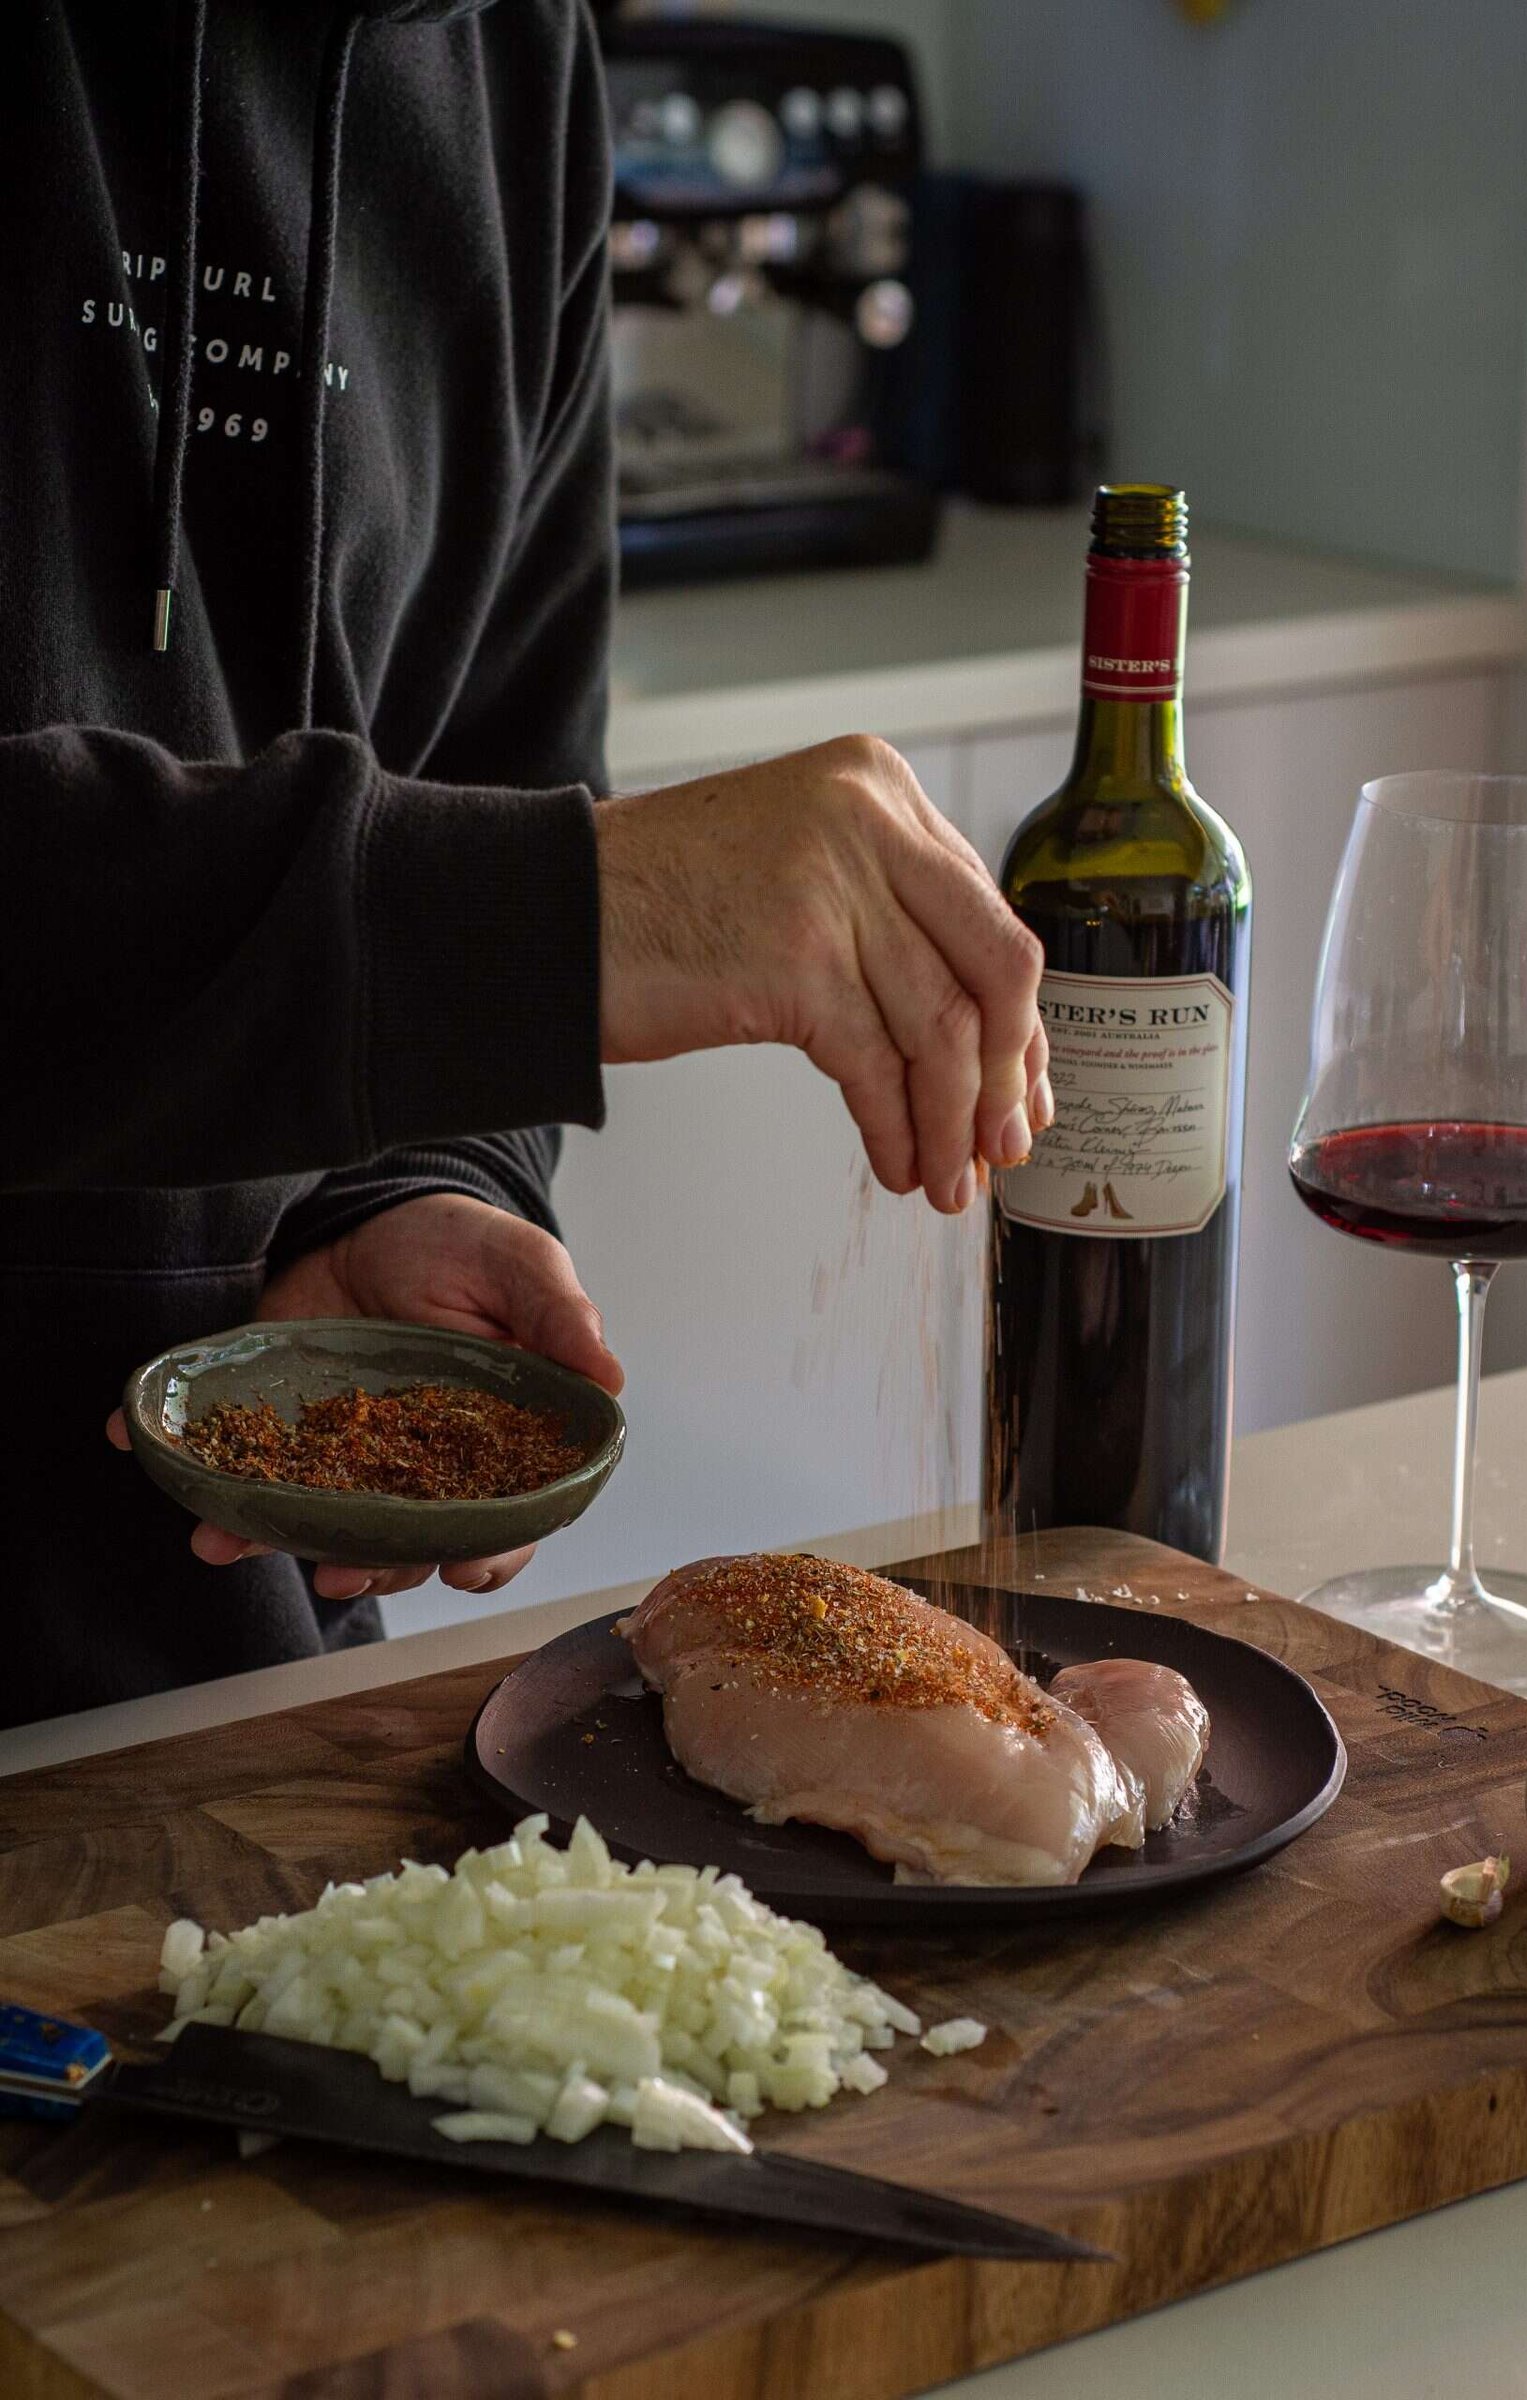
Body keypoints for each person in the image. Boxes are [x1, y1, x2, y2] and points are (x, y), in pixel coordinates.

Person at [1, 0, 1046, 1733]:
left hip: (222, 1674)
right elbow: (508, 874)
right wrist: (565, 915)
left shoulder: (509, 57)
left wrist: (411, 1177)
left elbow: (491, 739)